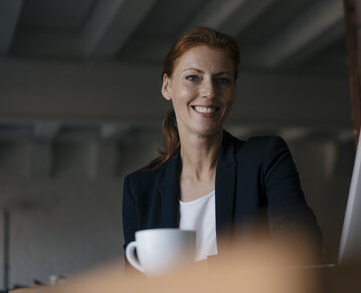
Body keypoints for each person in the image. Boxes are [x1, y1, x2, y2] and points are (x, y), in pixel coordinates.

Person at [122, 27, 321, 262]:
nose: (209, 92)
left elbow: (302, 247)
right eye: (193, 77)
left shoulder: (265, 158)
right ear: (167, 86)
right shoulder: (140, 188)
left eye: (223, 80)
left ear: (233, 92)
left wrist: (201, 275)